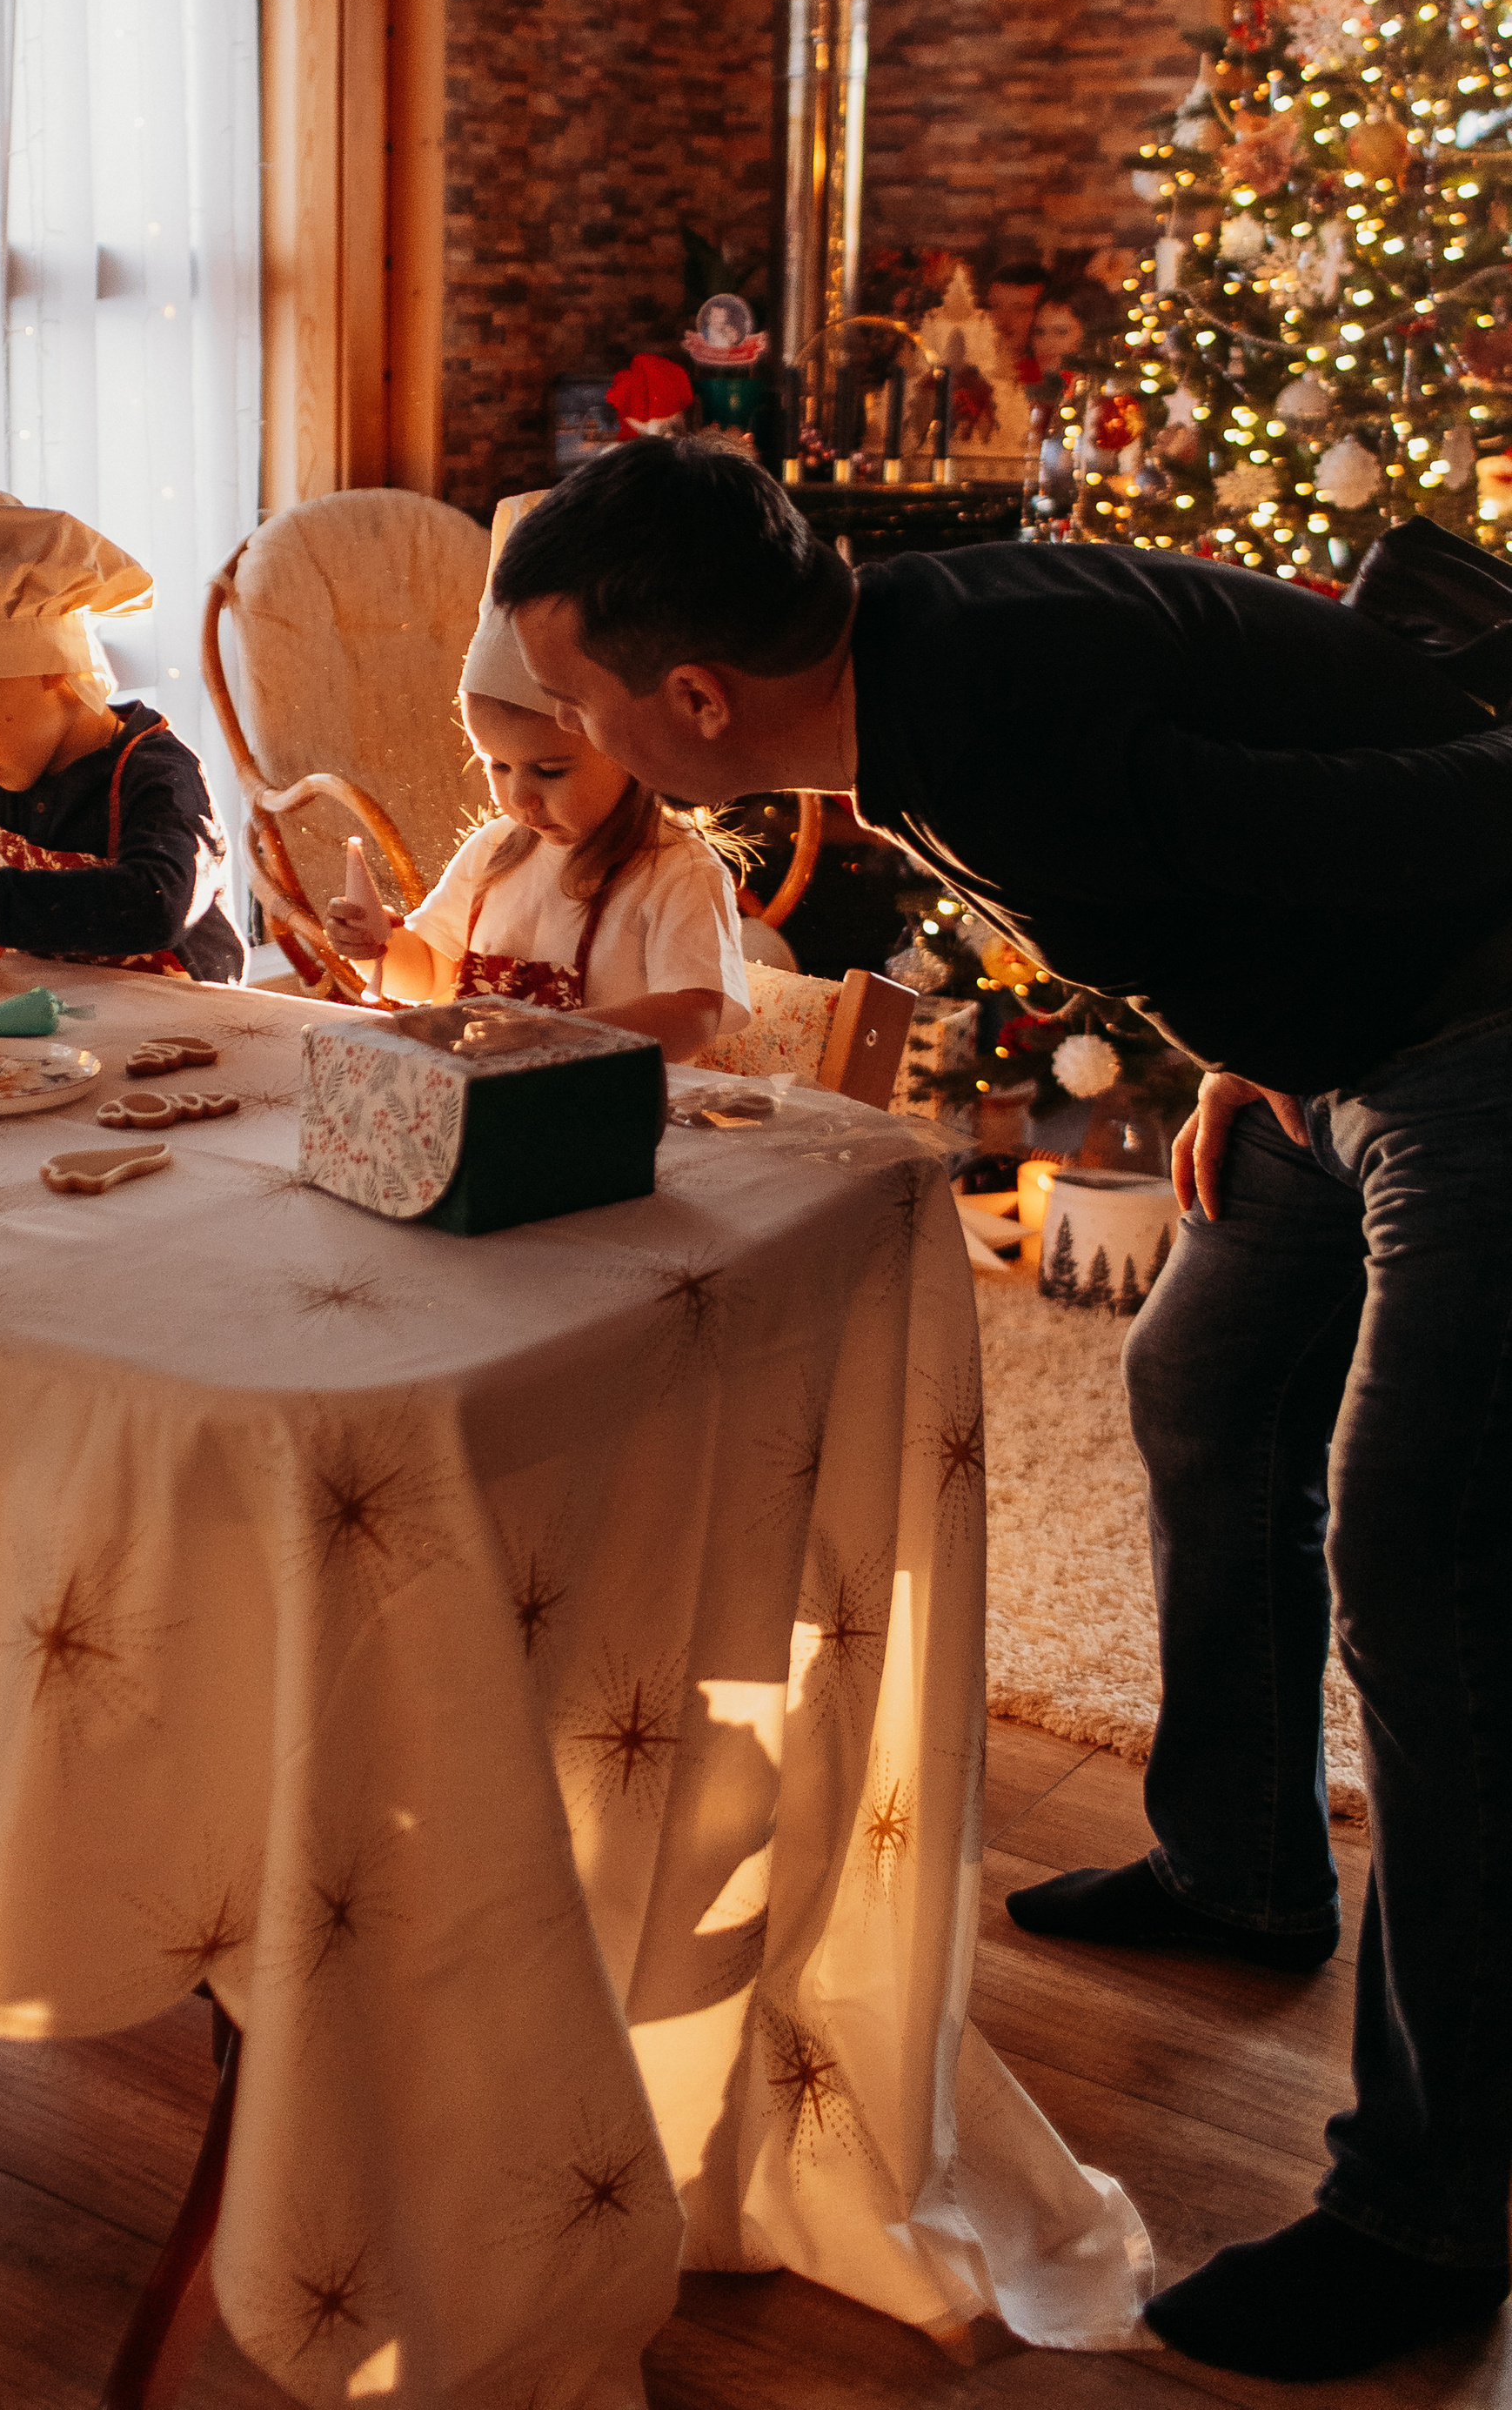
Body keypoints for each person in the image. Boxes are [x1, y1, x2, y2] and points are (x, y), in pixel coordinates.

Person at [491, 431, 1512, 2384]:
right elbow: (1247, 818)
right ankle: (1237, 1863)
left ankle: (1425, 2211)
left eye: (571, 697)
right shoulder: (920, 653)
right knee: (1195, 1372)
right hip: (1332, 1049)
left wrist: (1290, 1025)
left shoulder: (992, 728)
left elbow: (1438, 815)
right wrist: (1242, 1049)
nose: (560, 727)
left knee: (1434, 1600)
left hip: (1472, 1041)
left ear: (690, 703)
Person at [326, 563, 747, 1065]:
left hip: (615, 1116)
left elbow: (692, 1019)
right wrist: (381, 947)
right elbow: (434, 972)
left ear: (632, 750)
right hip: (494, 1104)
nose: (519, 796)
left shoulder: (677, 873)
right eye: (497, 766)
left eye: (550, 771)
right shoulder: (493, 850)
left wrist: (549, 1035)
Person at [0, 487, 244, 982]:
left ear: (51, 665)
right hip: (63, 1035)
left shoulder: (158, 774)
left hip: (191, 1037)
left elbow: (154, 907)